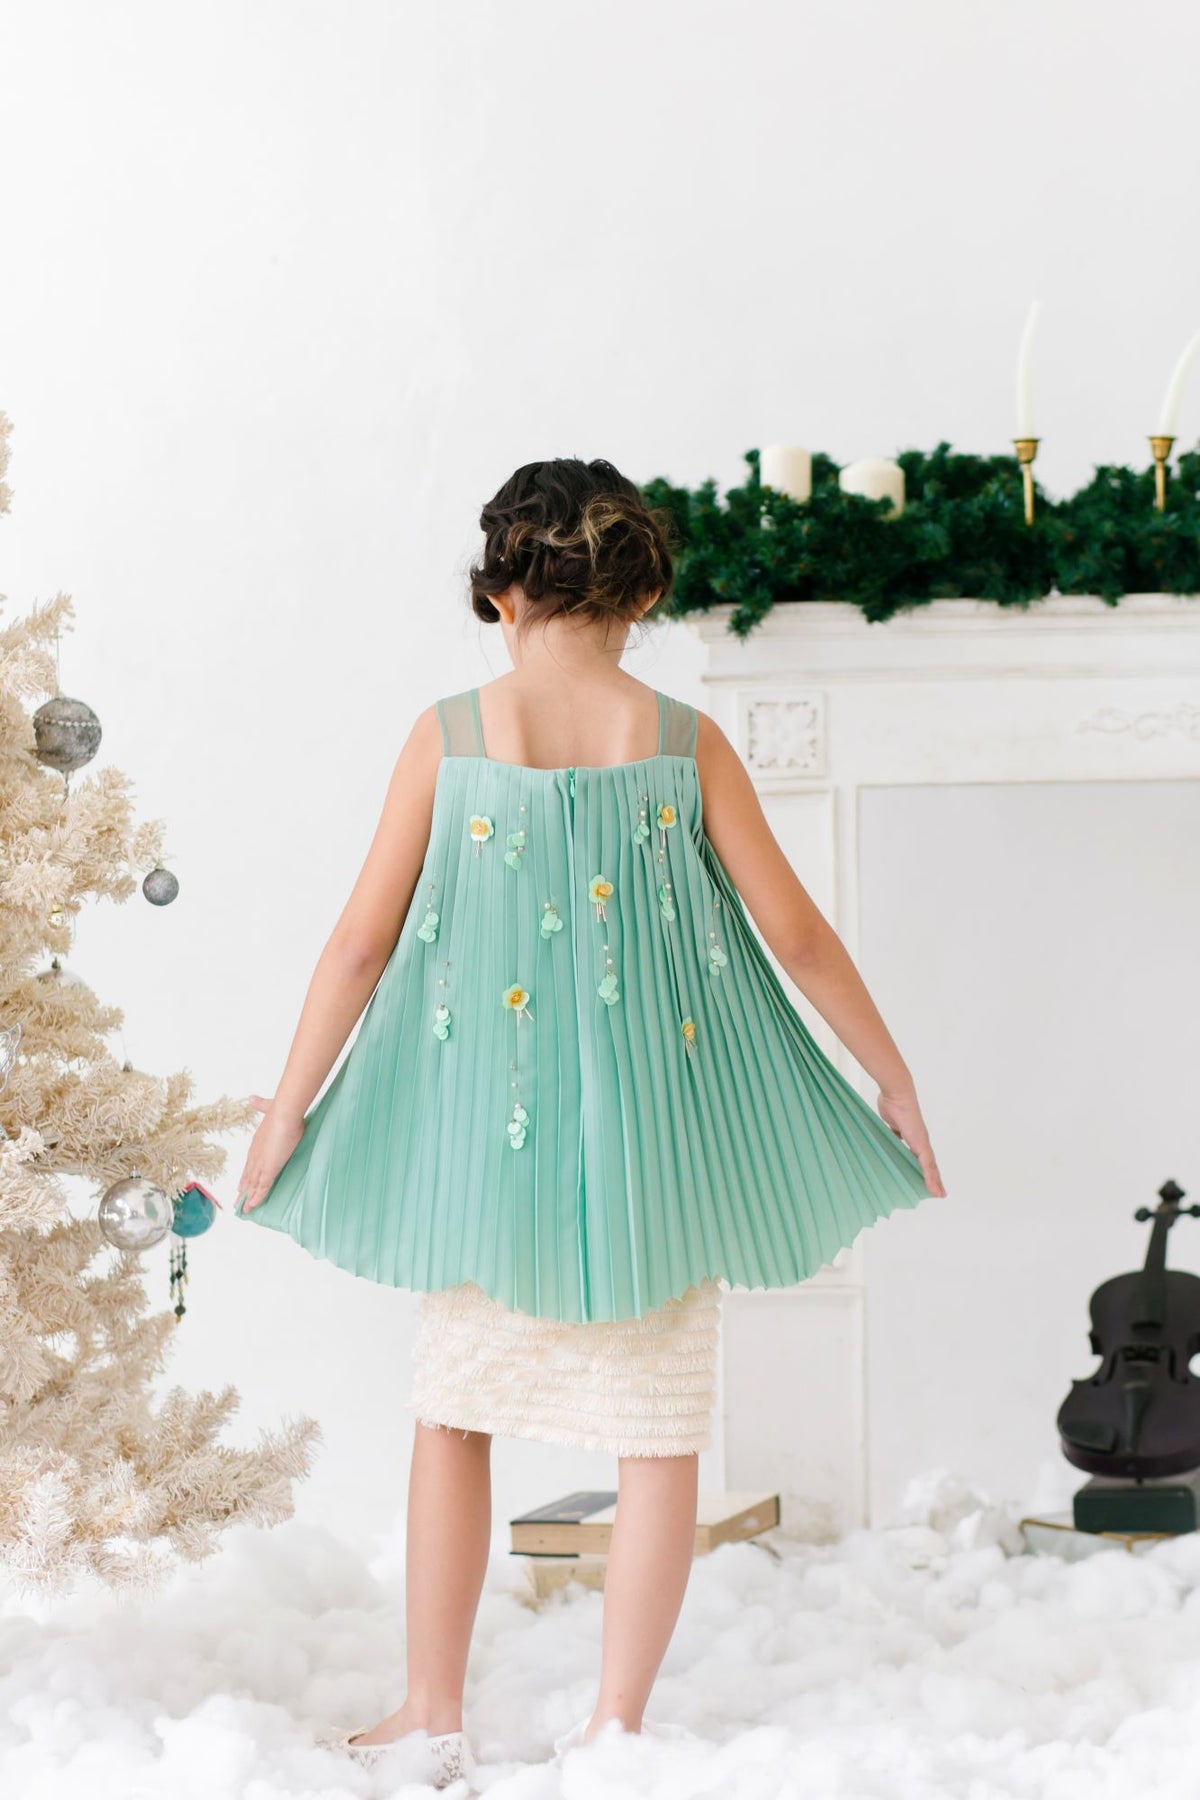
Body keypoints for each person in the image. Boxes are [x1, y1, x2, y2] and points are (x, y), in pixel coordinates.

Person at [235, 456, 946, 1785]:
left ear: (500, 594)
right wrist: (890, 1076)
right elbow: (795, 933)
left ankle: (431, 1706)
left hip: (482, 1149)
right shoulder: (681, 740)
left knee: (452, 1415)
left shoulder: (450, 736)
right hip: (653, 1154)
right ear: (642, 596)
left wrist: (289, 1111)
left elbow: (358, 947)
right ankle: (618, 1721)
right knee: (657, 1435)